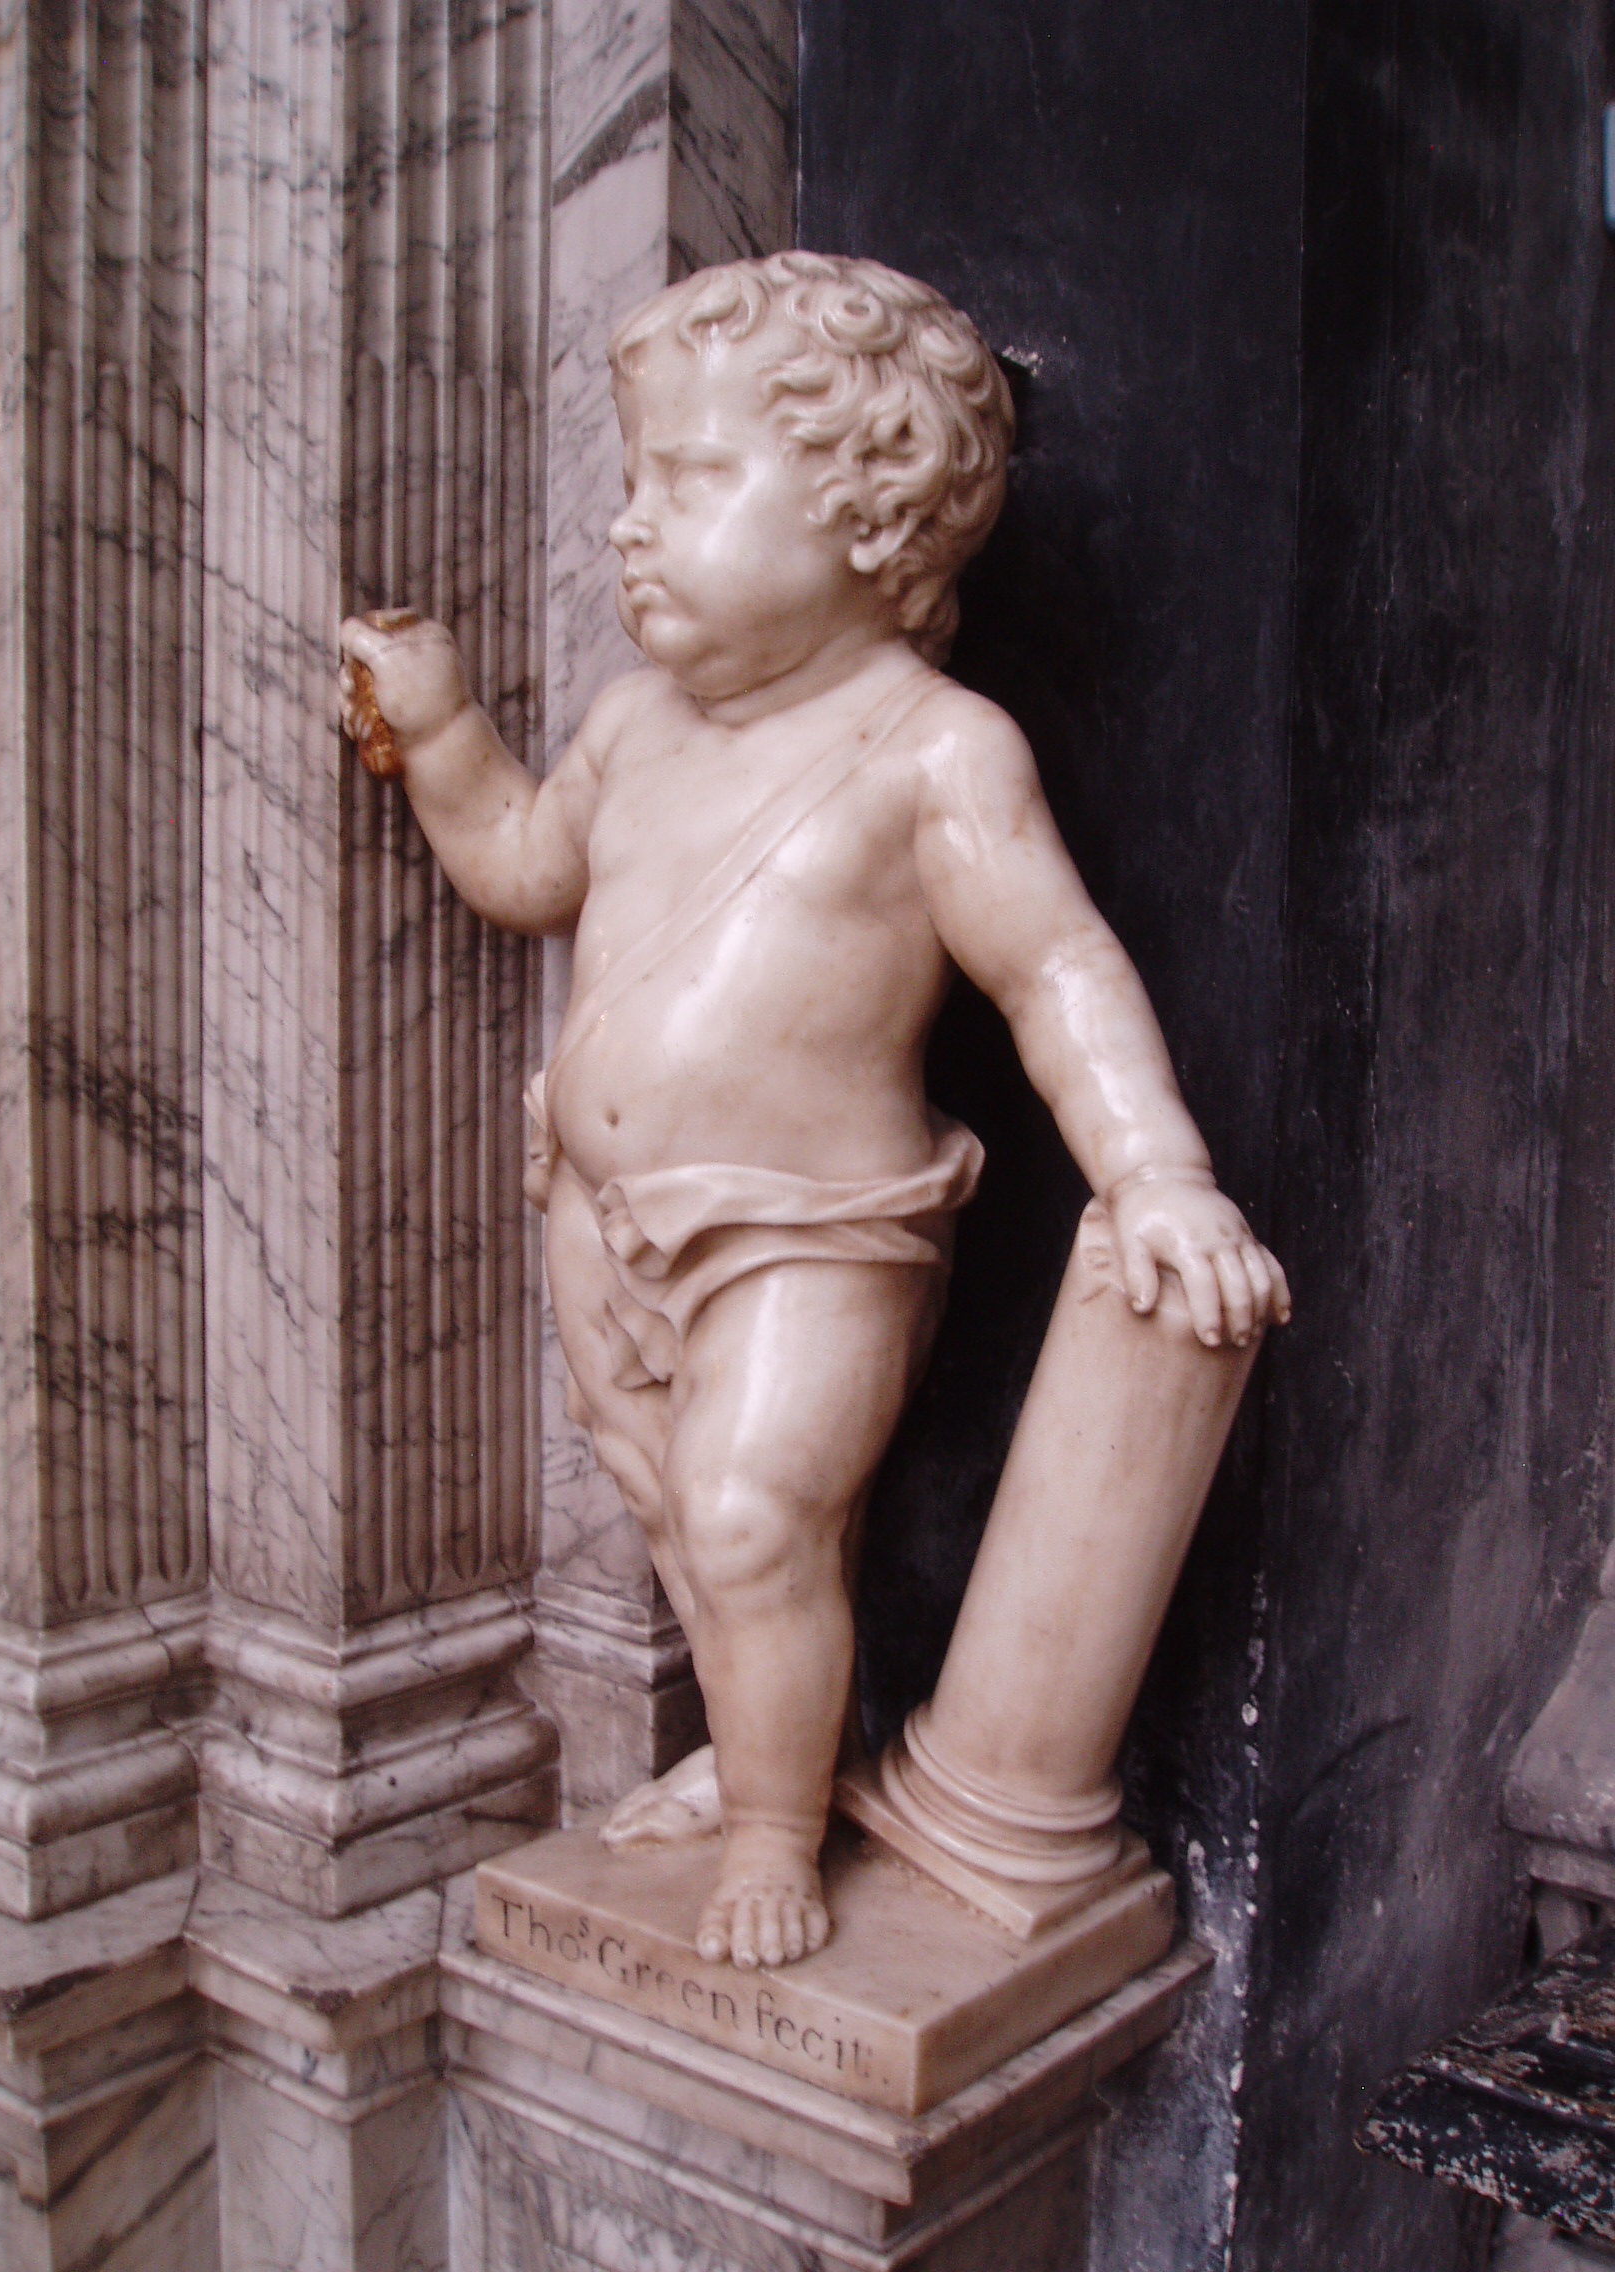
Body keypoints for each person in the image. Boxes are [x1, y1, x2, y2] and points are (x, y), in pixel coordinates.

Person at [337, 251, 1289, 1973]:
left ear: (874, 515)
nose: (631, 524)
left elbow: (1057, 971)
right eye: (633, 481)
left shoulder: (937, 753)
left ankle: (778, 1831)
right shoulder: (633, 728)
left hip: (810, 1230)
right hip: (600, 1209)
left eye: (689, 481)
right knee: (669, 1501)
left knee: (757, 1509)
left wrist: (1160, 1176)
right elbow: (526, 870)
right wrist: (452, 735)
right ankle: (764, 1751)